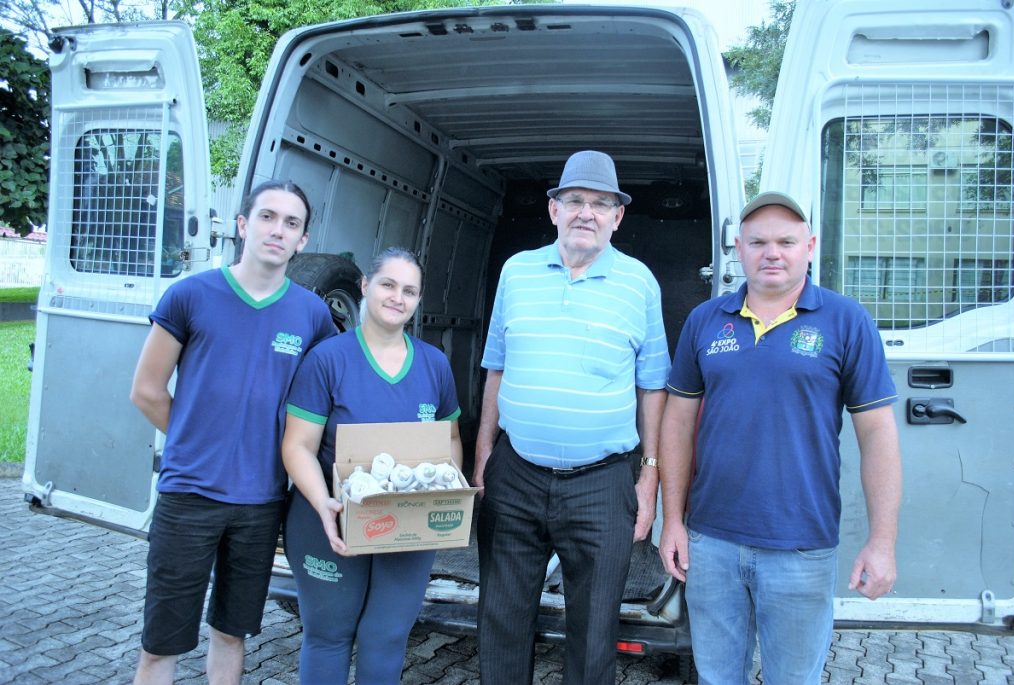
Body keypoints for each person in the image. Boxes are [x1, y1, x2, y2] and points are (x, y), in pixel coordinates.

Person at [658, 192, 902, 684]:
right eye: (759, 241)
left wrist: (882, 542)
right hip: (712, 542)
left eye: (786, 241)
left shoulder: (846, 320)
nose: (773, 252)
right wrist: (672, 520)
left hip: (801, 546)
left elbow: (877, 434)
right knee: (716, 678)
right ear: (738, 248)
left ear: (809, 246)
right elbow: (678, 423)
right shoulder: (706, 321)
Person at [473, 150, 670, 685]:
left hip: (603, 483)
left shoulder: (640, 284)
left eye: (600, 204)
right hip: (515, 474)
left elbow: (653, 386)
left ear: (617, 216)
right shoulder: (517, 272)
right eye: (575, 200)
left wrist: (649, 475)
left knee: (593, 634)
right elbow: (495, 367)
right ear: (554, 209)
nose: (587, 212)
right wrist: (484, 457)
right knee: (502, 620)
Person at [129, 180, 336, 685]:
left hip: (261, 503)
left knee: (231, 634)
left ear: (303, 240)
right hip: (188, 497)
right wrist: (197, 441)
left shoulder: (312, 316)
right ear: (243, 225)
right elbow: (147, 390)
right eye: (267, 217)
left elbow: (324, 400)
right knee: (161, 645)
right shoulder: (190, 295)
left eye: (291, 223)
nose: (277, 230)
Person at [281, 246, 462, 685]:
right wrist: (324, 502)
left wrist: (443, 492)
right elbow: (297, 445)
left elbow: (451, 440)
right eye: (388, 284)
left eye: (410, 290)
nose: (397, 297)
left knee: (386, 637)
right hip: (329, 517)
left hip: (407, 522)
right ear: (364, 286)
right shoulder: (328, 359)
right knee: (329, 635)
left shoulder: (434, 364)